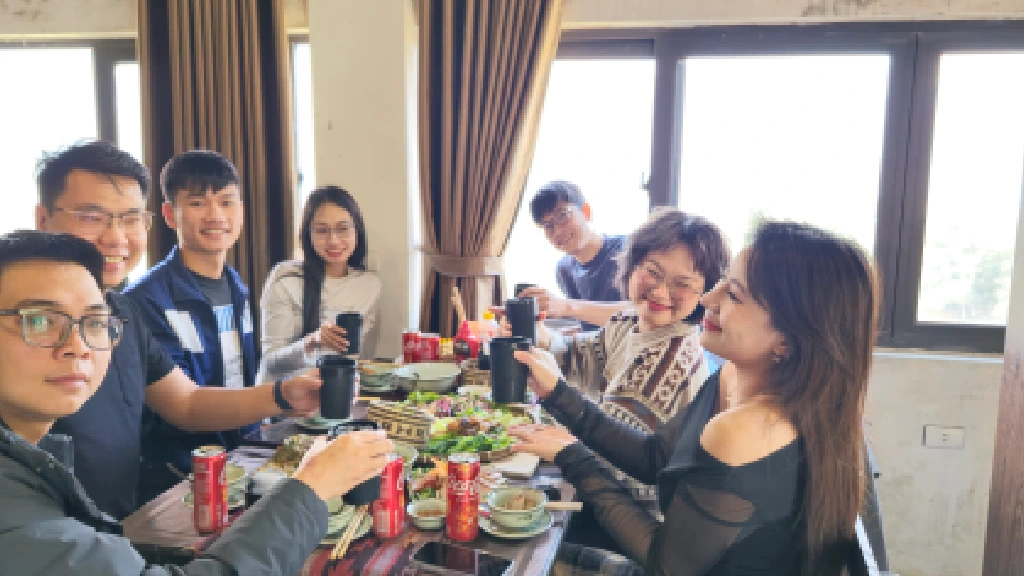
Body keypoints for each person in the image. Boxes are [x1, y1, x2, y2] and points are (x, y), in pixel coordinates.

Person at [0, 228, 393, 576]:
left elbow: (185, 399)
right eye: (39, 320)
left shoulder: (159, 306)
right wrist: (313, 486)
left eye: (94, 323)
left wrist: (281, 395)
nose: (77, 347)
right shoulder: (19, 515)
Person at [511, 220, 875, 576]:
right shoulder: (731, 375)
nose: (708, 299)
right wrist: (558, 395)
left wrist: (572, 456)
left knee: (517, 554)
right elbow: (654, 456)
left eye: (733, 294)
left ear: (788, 339)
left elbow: (665, 564)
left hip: (661, 559)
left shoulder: (746, 430)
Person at [37, 141, 320, 519]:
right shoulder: (21, 316)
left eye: (130, 218)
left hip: (121, 524)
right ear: (43, 220)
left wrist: (286, 394)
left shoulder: (123, 313)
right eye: (92, 217)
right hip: (52, 532)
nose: (116, 238)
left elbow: (186, 402)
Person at [511, 209, 729, 553]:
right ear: (632, 265)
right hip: (596, 494)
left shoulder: (675, 357)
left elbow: (615, 450)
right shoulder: (629, 319)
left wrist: (556, 397)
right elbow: (583, 356)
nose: (660, 291)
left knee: (512, 543)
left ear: (706, 293)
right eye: (652, 272)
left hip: (631, 525)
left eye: (682, 284)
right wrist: (542, 339)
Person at [124, 149, 270, 502]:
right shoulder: (144, 301)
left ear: (241, 212)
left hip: (243, 461)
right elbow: (180, 408)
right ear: (169, 215)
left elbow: (241, 376)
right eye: (198, 203)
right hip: (180, 478)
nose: (216, 215)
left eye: (226, 202)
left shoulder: (237, 287)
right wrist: (279, 398)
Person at [257, 186, 381, 382]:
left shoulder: (368, 285)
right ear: (308, 234)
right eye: (322, 230)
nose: (333, 240)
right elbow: (270, 362)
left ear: (357, 229)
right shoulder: (286, 278)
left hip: (337, 395)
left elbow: (360, 359)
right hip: (283, 401)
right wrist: (312, 341)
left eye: (343, 228)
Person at [522, 180, 631, 331]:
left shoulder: (627, 251)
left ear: (586, 211)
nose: (557, 232)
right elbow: (594, 328)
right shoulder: (564, 269)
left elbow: (640, 312)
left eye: (563, 216)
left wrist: (565, 306)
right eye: (548, 226)